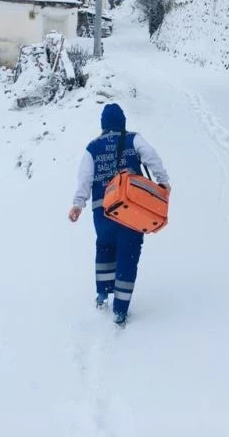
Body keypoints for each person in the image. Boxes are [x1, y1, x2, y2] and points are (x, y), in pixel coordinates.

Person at [68, 103, 170, 326]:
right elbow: (152, 157)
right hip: (132, 210)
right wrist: (163, 182)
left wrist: (78, 204)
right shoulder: (134, 139)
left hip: (102, 212)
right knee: (128, 255)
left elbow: (84, 177)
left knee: (104, 247)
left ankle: (102, 295)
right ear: (123, 122)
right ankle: (120, 310)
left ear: (103, 125)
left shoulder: (92, 147)